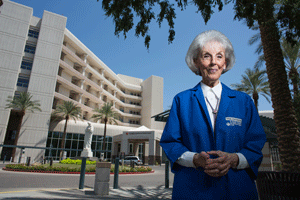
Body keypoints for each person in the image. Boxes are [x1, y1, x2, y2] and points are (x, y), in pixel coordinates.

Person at [160, 30, 266, 200]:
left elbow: (256, 142)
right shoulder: (181, 100)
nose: (213, 63)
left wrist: (234, 159)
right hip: (192, 191)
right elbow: (171, 143)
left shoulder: (244, 101)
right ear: (196, 61)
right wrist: (195, 159)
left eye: (219, 56)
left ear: (225, 62)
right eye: (206, 56)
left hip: (238, 190)